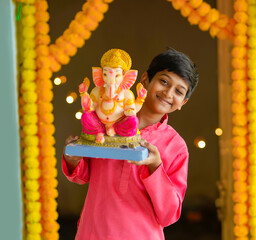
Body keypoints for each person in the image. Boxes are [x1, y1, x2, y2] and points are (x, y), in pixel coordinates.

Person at [62, 47, 199, 240]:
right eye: (164, 81)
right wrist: (73, 157)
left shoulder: (175, 146)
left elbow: (168, 214)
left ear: (182, 103)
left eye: (178, 91)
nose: (168, 93)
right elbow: (83, 175)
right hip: (92, 233)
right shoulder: (107, 122)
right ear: (144, 79)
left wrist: (155, 167)